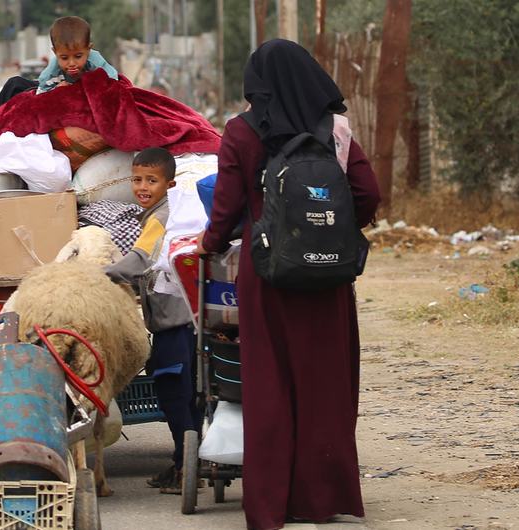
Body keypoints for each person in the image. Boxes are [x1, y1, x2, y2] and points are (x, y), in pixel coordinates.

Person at [198, 40, 381, 530]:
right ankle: (321, 497)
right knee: (325, 381)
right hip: (327, 275)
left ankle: (271, 503)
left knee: (270, 386)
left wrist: (210, 244)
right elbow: (368, 193)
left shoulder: (240, 131)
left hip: (269, 274)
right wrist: (336, 228)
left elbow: (228, 204)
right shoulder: (335, 128)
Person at [104, 147, 201, 495]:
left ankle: (185, 467)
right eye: (137, 179)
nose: (142, 187)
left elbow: (140, 259)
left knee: (173, 391)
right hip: (188, 319)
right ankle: (185, 462)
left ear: (169, 184)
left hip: (174, 322)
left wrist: (99, 275)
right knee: (189, 394)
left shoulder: (162, 216)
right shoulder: (168, 212)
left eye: (151, 180)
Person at [35, 16, 119, 94]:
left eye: (78, 56)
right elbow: (40, 93)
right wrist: (56, 90)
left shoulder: (95, 62)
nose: (71, 63)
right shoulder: (51, 72)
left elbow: (114, 81)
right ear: (55, 52)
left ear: (88, 49)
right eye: (64, 58)